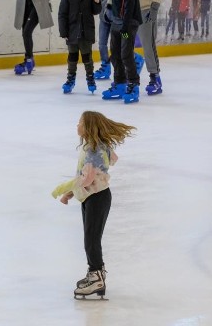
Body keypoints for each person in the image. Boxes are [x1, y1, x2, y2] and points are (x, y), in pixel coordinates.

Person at [54, 111, 135, 300]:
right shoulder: (93, 147)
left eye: (80, 123)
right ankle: (95, 273)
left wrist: (62, 188)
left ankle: (97, 278)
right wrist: (69, 193)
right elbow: (112, 160)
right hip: (91, 196)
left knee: (91, 240)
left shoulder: (93, 149)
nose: (77, 126)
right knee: (90, 238)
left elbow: (86, 179)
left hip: (98, 198)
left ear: (88, 127)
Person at [101, 0, 142, 104]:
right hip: (117, 22)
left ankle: (133, 84)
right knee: (115, 54)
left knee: (125, 54)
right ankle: (119, 83)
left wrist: (125, 24)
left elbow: (130, 2)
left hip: (127, 24)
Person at [58, 0, 101, 94]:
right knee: (72, 57)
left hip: (86, 32)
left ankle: (90, 78)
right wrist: (63, 32)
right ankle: (70, 79)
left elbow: (96, 11)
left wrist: (97, 2)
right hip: (72, 32)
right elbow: (62, 15)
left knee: (87, 57)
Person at [92, 0, 113, 79]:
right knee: (102, 43)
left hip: (115, 18)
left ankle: (133, 58)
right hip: (103, 18)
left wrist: (100, 2)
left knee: (123, 39)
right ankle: (105, 65)